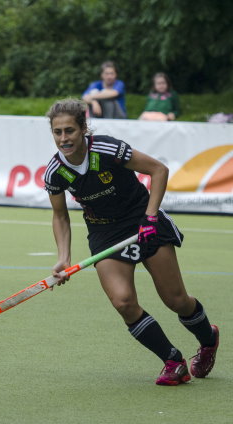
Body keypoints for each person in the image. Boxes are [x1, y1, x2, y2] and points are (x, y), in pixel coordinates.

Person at [43, 98, 219, 386]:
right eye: (58, 132)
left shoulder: (107, 149)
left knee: (176, 300)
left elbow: (158, 170)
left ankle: (208, 339)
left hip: (142, 220)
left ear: (83, 128)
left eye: (70, 131)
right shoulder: (55, 172)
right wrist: (63, 257)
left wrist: (150, 218)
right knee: (123, 302)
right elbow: (60, 216)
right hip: (105, 233)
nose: (64, 138)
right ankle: (173, 361)